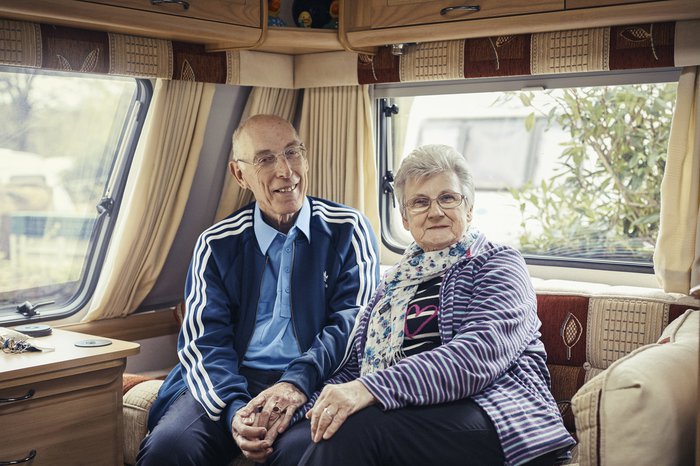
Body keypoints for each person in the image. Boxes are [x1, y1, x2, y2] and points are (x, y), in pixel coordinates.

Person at [268, 144, 576, 466]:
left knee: (352, 432)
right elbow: (355, 368)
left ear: (468, 209)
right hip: (406, 410)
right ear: (404, 218)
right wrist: (293, 409)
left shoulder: (498, 264)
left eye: (448, 198)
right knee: (292, 440)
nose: (435, 211)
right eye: (420, 202)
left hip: (493, 413)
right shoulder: (391, 284)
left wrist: (369, 389)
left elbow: (476, 357)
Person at [137, 114, 380, 465]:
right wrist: (236, 410)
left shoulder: (348, 229)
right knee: (169, 449)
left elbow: (352, 323)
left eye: (293, 153)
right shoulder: (217, 243)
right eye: (266, 159)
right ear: (240, 174)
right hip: (231, 377)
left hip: (313, 377)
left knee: (301, 451)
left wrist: (296, 383)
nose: (286, 170)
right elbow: (204, 341)